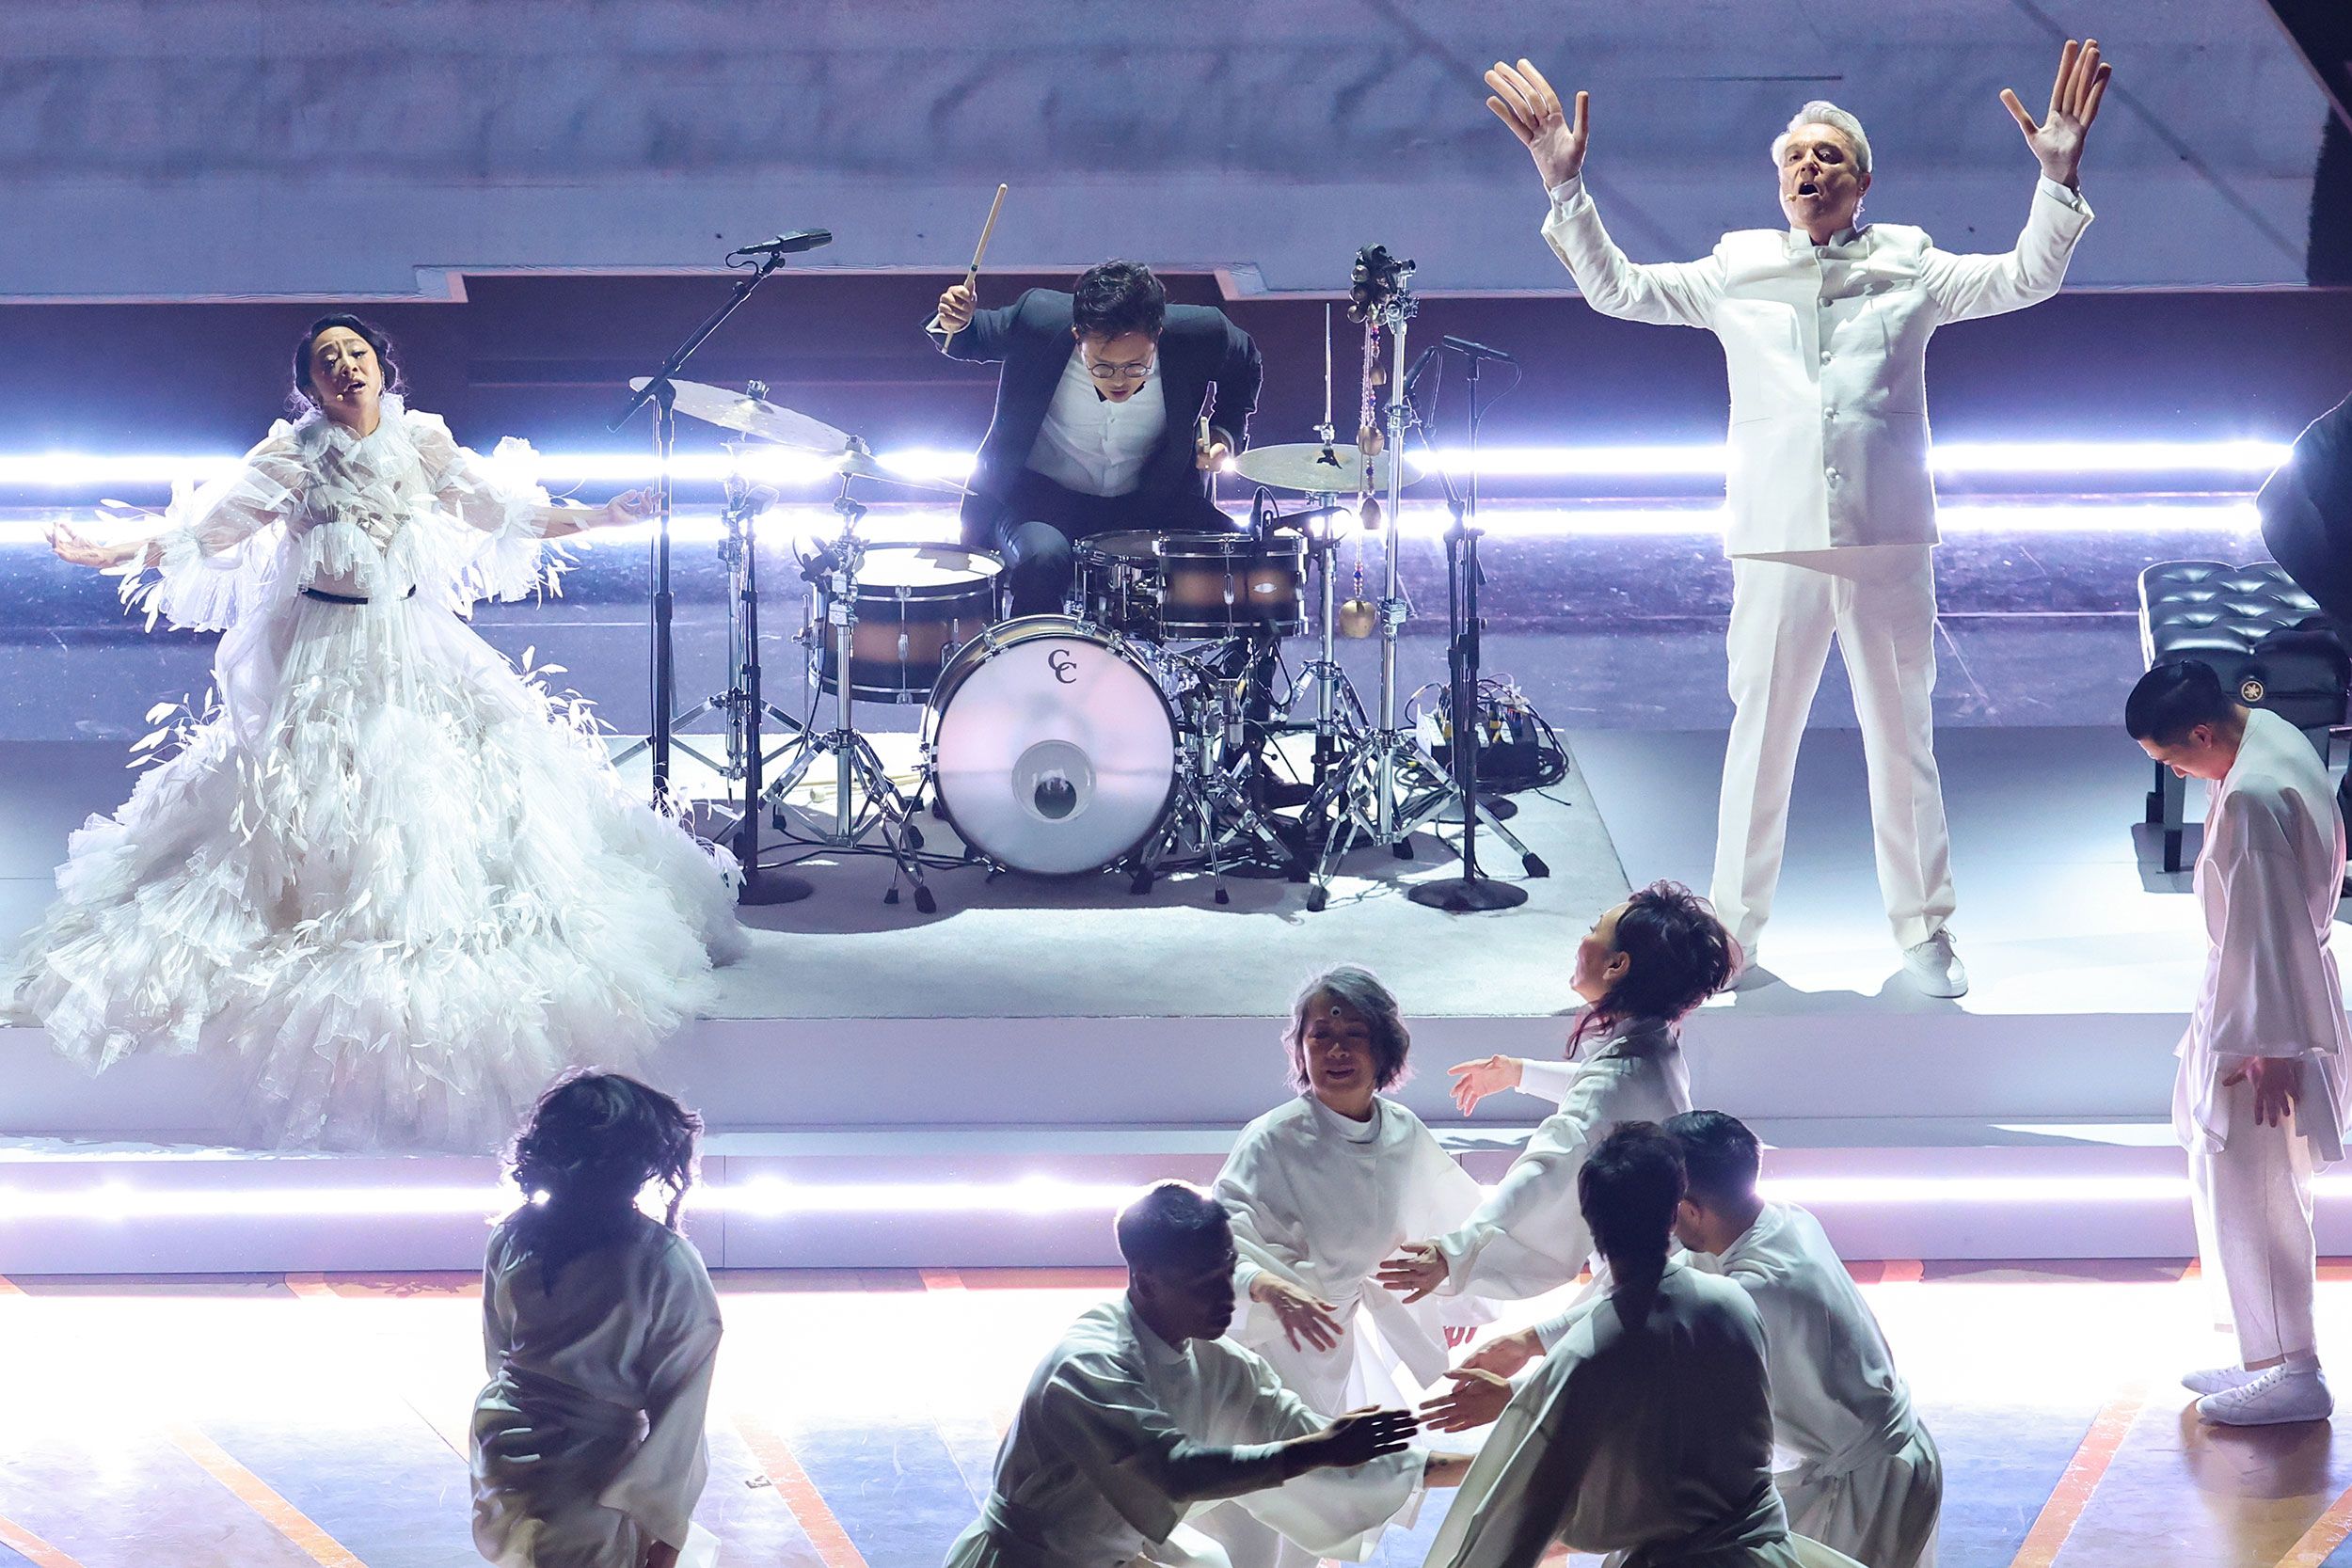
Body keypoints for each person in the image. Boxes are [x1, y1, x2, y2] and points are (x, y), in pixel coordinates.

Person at [10, 315, 742, 1151]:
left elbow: (501, 510)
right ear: (311, 385)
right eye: (328, 362)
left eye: (356, 354)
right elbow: (201, 533)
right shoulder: (291, 456)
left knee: (468, 777)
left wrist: (606, 513)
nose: (345, 368)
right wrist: (105, 551)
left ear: (381, 368)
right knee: (316, 804)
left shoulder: (420, 440)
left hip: (412, 641)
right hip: (323, 653)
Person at [1482, 42, 2114, 997]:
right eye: (1793, 158)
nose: (1806, 169)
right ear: (1777, 180)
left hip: (1886, 538)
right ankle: (1727, 937)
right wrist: (1564, 191)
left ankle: (1926, 931)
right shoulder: (1737, 267)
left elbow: (2025, 277)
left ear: (1861, 180)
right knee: (1759, 742)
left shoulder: (1910, 263)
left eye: (1827, 157)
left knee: (1902, 743)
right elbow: (1618, 289)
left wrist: (2057, 177)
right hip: (1775, 539)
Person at [1471, 1110, 1942, 1565]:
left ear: (1690, 1210)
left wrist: (1521, 1400)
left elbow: (1644, 1380)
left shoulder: (1753, 1293)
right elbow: (1657, 1289)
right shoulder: (1778, 1218)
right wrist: (1531, 1339)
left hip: (1870, 1491)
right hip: (1853, 1465)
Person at [946, 1180, 1470, 1568]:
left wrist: (1495, 1458)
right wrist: (1321, 1449)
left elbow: (1300, 1430)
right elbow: (1174, 1470)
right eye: (1202, 1283)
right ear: (1145, 1280)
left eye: (1228, 1273)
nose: (1226, 1297)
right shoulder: (1088, 1365)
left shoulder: (1218, 1364)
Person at [1201, 966, 1496, 1567]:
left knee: (1316, 1489)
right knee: (1264, 1493)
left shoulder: (1402, 1131)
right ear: (1300, 1049)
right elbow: (1220, 1238)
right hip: (1266, 1337)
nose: (1335, 1050)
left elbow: (1446, 1220)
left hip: (1332, 1339)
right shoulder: (1273, 1138)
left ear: (1383, 1048)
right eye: (1318, 1037)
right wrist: (1270, 1287)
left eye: (1353, 1035)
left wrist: (1449, 1294)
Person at [2128, 659, 2351, 1425]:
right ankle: (2267, 1350)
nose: (2178, 774)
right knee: (2241, 1188)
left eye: (2172, 761)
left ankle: (2294, 1367)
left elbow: (2272, 926)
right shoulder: (2271, 734)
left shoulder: (2253, 796)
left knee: (2260, 1192)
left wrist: (2271, 1046)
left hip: (2267, 1016)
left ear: (2200, 731)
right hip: (2262, 996)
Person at [1379, 881, 1737, 1305]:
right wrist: (1519, 1073)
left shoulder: (1619, 1075)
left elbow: (1545, 1173)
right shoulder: (1657, 1043)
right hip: (1667, 1270)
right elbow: (1604, 1092)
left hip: (1650, 1291)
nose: (1582, 940)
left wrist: (1454, 1252)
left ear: (1617, 965)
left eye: (1594, 929)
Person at [471, 1071, 723, 1568]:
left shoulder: (512, 1238)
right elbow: (682, 1410)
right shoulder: (664, 1262)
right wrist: (666, 1531)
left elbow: (498, 1350)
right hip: (595, 1482)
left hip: (504, 1454)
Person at [930, 259, 1262, 616]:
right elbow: (972, 334)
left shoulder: (1203, 333)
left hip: (1151, 502)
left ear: (1158, 336)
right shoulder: (1038, 318)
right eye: (1101, 366)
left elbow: (1246, 368)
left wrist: (1224, 435)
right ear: (1078, 337)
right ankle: (1037, 658)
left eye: (1136, 366)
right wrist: (956, 319)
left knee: (1251, 560)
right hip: (1041, 501)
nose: (1118, 380)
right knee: (1040, 563)